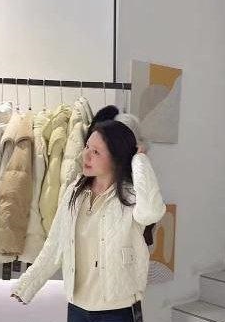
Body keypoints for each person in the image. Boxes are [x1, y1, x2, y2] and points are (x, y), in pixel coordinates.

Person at [11, 105, 166, 322]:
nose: (85, 155)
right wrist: (27, 285)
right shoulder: (75, 192)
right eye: (87, 147)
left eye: (96, 152)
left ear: (117, 157)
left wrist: (139, 160)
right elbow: (55, 243)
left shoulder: (131, 197)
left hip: (118, 310)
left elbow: (151, 213)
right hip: (77, 308)